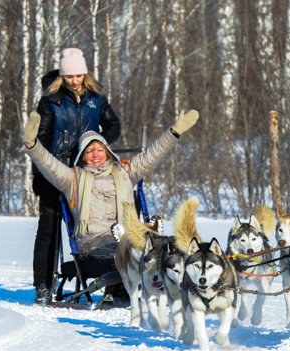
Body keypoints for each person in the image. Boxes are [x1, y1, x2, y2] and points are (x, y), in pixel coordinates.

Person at [22, 109, 200, 306]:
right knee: (136, 248)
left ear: (107, 152)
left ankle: (187, 287)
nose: (95, 155)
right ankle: (125, 285)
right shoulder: (72, 179)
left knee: (168, 246)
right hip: (94, 246)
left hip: (127, 239)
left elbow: (152, 155)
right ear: (82, 156)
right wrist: (32, 145)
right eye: (89, 151)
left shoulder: (125, 172)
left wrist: (174, 132)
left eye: (99, 149)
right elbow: (49, 165)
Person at [31, 47, 121, 305]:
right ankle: (42, 285)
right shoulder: (50, 101)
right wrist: (53, 161)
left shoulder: (96, 98)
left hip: (86, 173)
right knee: (48, 229)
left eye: (79, 75)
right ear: (62, 75)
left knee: (90, 225)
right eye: (70, 76)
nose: (75, 81)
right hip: (53, 172)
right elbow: (43, 135)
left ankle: (105, 275)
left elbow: (114, 125)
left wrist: (98, 145)